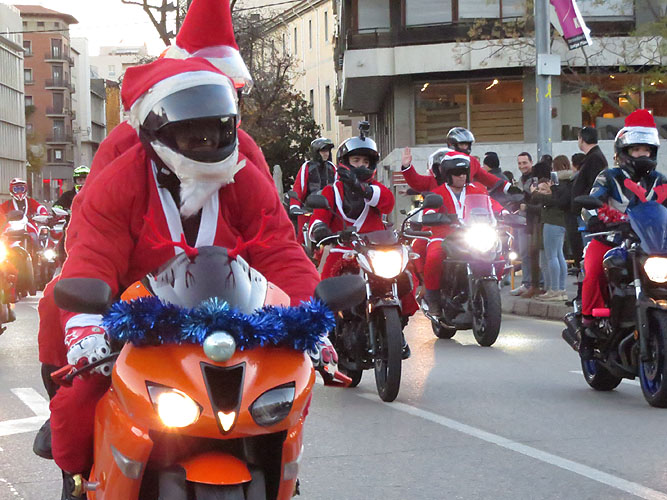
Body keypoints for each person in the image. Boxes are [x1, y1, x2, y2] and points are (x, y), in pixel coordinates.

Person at [47, 58, 324, 494]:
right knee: (80, 399)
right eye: (191, 132)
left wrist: (311, 317)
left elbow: (281, 251)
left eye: (213, 130)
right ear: (156, 131)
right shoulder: (119, 181)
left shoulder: (244, 179)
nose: (205, 141)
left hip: (238, 321)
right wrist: (87, 326)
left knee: (286, 392)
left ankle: (279, 473)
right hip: (139, 327)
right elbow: (93, 254)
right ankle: (80, 479)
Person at [36, 0, 273, 394]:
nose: (207, 127)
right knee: (77, 384)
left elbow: (274, 239)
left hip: (231, 308)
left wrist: (306, 318)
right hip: (135, 308)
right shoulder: (123, 152)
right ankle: (63, 398)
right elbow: (94, 235)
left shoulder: (243, 155)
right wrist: (88, 325)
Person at [308, 131, 417, 354]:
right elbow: (317, 219)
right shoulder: (331, 191)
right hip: (342, 251)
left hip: (375, 251)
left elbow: (387, 202)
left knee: (405, 276)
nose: (361, 165)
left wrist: (362, 188)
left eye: (366, 161)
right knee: (323, 287)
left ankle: (398, 327)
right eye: (356, 160)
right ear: (345, 162)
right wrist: (320, 229)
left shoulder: (376, 189)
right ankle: (324, 338)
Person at [579, 109, 667, 360]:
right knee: (594, 270)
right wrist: (594, 217)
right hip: (611, 240)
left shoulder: (660, 181)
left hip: (651, 245)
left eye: (647, 150)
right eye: (637, 149)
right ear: (624, 151)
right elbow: (591, 203)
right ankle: (588, 325)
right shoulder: (609, 177)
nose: (643, 154)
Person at [422, 154, 503, 314]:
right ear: (447, 175)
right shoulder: (437, 193)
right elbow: (429, 210)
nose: (461, 176)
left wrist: (504, 212)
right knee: (433, 256)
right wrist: (432, 215)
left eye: (464, 173)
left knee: (497, 256)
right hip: (444, 236)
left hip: (472, 233)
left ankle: (489, 288)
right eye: (457, 173)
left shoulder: (477, 190)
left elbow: (491, 204)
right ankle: (433, 298)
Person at [401, 127, 517, 195]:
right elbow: (418, 182)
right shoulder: (439, 161)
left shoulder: (472, 164)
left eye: (467, 144)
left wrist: (509, 188)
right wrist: (407, 167)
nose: (460, 176)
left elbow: (488, 178)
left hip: (468, 212)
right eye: (462, 144)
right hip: (441, 212)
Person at [529, 155, 573, 301]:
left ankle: (554, 289)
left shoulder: (559, 183)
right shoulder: (569, 181)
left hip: (552, 221)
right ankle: (561, 289)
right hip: (561, 222)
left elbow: (553, 200)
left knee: (552, 256)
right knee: (559, 255)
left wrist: (535, 193)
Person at [289, 138, 336, 243]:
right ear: (316, 152)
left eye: (328, 151)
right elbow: (298, 187)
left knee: (334, 239)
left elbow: (339, 188)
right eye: (323, 151)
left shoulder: (332, 167)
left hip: (329, 210)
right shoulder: (307, 167)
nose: (326, 154)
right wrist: (295, 206)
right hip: (309, 210)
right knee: (302, 239)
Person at [510, 152, 537, 296]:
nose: (522, 166)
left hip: (532, 220)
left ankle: (533, 284)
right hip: (521, 220)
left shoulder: (536, 179)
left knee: (532, 253)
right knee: (524, 252)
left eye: (525, 163)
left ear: (531, 162)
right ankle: (527, 283)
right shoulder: (521, 179)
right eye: (519, 163)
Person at [0, 178, 48, 251]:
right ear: (12, 190)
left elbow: (40, 207)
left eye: (21, 189)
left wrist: (43, 213)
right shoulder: (8, 204)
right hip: (12, 227)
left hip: (28, 226)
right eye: (16, 189)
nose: (19, 192)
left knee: (34, 237)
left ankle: (36, 255)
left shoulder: (30, 201)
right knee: (4, 239)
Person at [571, 126, 608, 212]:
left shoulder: (594, 158)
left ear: (582, 139)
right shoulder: (594, 156)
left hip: (588, 210)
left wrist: (582, 202)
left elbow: (593, 184)